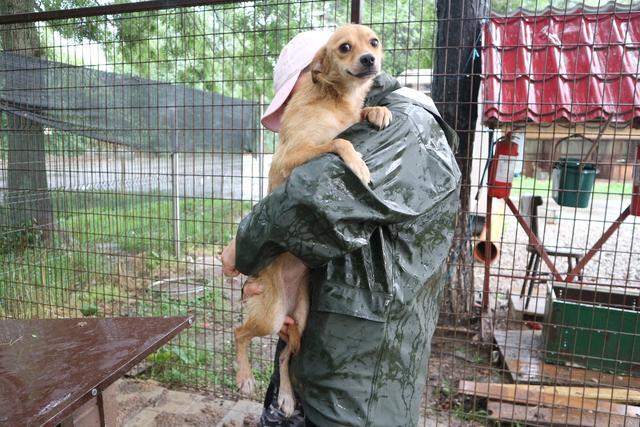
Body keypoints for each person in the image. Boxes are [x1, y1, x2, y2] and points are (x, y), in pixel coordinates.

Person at [221, 29, 461, 427]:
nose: (301, 105)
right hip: (334, 356)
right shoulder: (361, 119)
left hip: (359, 382)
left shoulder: (402, 125)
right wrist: (286, 275)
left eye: (298, 91)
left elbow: (314, 201)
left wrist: (243, 246)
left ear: (320, 69)